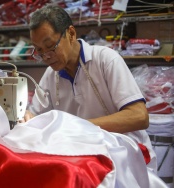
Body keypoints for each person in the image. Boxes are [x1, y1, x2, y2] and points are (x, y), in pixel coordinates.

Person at [24, 5, 156, 171]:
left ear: (71, 34)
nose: (46, 57)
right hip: (86, 155)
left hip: (125, 157)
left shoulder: (105, 60)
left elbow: (139, 116)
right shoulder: (51, 76)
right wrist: (28, 118)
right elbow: (36, 117)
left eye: (50, 47)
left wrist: (80, 126)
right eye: (39, 51)